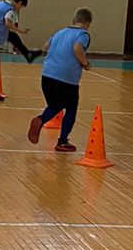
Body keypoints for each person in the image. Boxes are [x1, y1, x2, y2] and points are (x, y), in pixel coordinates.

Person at [28, 9, 92, 153]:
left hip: (47, 75)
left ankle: (40, 120)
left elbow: (45, 47)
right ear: (88, 24)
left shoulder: (60, 32)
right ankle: (62, 141)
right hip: (66, 79)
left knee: (56, 105)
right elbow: (77, 48)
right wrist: (86, 64)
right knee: (71, 108)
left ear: (73, 20)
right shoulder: (83, 34)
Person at [0, 0, 42, 98]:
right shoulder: (10, 10)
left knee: (13, 37)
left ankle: (28, 55)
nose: (19, 9)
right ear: (19, 3)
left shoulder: (1, 3)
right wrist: (21, 30)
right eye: (21, 7)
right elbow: (7, 23)